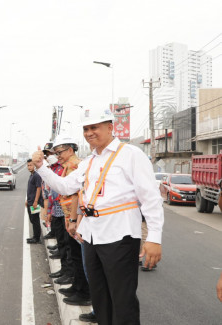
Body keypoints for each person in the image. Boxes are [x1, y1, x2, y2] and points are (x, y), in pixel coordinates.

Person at [32, 107, 164, 325]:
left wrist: (154, 238)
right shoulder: (90, 162)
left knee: (122, 300)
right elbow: (65, 187)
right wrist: (41, 167)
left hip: (120, 236)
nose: (89, 132)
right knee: (100, 298)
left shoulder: (131, 155)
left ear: (110, 127)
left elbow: (151, 199)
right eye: (86, 128)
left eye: (95, 127)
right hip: (91, 236)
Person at [48, 134, 91, 306]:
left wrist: (73, 220)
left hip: (74, 217)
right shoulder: (68, 165)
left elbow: (75, 195)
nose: (57, 155)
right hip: (69, 215)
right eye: (56, 152)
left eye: (60, 152)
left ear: (70, 149)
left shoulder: (74, 165)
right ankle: (77, 286)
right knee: (73, 254)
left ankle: (83, 292)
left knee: (78, 256)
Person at [25, 159, 43, 244]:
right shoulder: (31, 175)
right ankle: (35, 236)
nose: (29, 167)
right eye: (28, 165)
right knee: (32, 219)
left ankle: (37, 238)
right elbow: (30, 189)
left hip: (34, 202)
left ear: (34, 166)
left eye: (31, 165)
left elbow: (38, 188)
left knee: (35, 220)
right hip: (30, 201)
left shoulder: (36, 175)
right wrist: (27, 200)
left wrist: (36, 201)